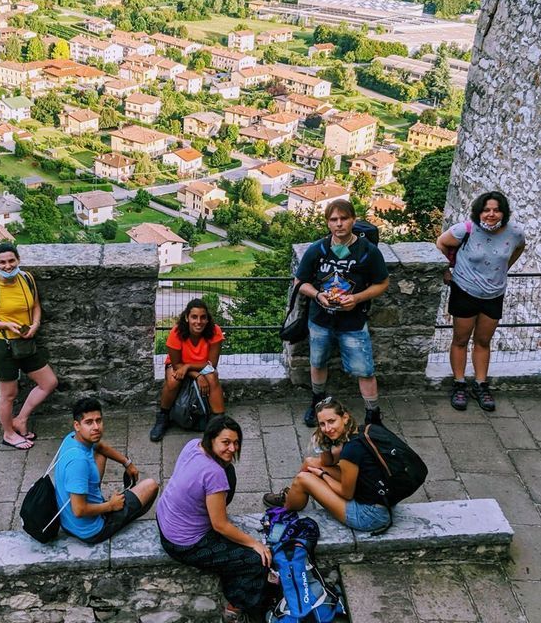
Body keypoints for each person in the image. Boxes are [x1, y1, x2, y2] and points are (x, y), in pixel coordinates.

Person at [156, 416, 273, 623]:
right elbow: (220, 525)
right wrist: (254, 543)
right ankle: (235, 609)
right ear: (211, 439)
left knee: (229, 471)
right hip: (184, 543)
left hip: (164, 519)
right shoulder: (214, 474)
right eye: (226, 442)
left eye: (236, 443)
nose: (233, 448)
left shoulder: (193, 445)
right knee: (256, 561)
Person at [294, 200, 389, 429]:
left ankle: (373, 415)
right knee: (317, 362)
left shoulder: (367, 252)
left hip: (353, 321)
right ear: (327, 223)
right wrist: (318, 296)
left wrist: (356, 299)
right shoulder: (319, 249)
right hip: (321, 319)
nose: (339, 224)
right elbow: (300, 281)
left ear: (353, 220)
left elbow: (382, 283)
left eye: (344, 218)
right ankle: (317, 402)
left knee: (365, 369)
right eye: (334, 220)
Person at [435, 191, 525, 411]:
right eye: (486, 210)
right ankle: (459, 384)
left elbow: (519, 248)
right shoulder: (465, 229)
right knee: (461, 339)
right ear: (479, 212)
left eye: (496, 210)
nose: (491, 214)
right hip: (465, 290)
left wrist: (504, 269)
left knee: (484, 341)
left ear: (504, 212)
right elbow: (441, 243)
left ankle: (481, 384)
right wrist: (446, 270)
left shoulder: (514, 233)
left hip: (494, 294)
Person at [0, 242, 58, 450]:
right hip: (2, 346)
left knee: (49, 382)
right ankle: (9, 434)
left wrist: (36, 324)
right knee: (9, 393)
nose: (8, 266)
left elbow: (36, 305)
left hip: (25, 342)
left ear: (18, 260)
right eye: (2, 262)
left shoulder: (27, 279)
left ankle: (20, 419)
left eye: (11, 260)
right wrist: (6, 323)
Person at [266, 398, 391, 534]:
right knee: (309, 463)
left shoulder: (351, 450)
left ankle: (287, 506)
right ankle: (293, 494)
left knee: (303, 478)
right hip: (376, 493)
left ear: (345, 417)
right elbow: (327, 463)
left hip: (369, 515)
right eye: (322, 424)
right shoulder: (358, 431)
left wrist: (322, 475)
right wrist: (323, 445)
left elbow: (346, 494)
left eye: (331, 421)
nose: (327, 428)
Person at [54, 398, 159, 544]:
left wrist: (126, 463)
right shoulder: (79, 462)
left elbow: (100, 447)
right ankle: (121, 519)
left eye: (99, 420)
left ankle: (101, 501)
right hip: (91, 530)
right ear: (77, 425)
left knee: (100, 453)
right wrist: (111, 505)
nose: (96, 427)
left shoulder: (70, 438)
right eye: (89, 422)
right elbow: (78, 510)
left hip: (67, 521)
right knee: (151, 486)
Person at [150, 298, 226, 441]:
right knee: (173, 380)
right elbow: (176, 363)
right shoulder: (177, 332)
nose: (199, 321)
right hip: (178, 365)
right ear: (187, 318)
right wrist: (196, 376)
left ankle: (218, 420)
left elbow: (212, 364)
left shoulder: (215, 331)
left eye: (203, 317)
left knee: (212, 376)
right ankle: (163, 417)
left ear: (207, 319)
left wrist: (189, 367)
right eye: (194, 317)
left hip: (201, 366)